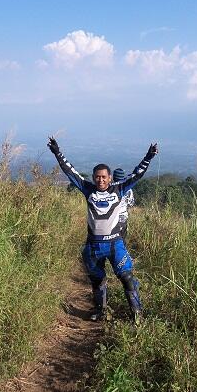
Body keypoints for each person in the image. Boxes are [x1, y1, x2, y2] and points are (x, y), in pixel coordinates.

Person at [47, 137, 158, 324]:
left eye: (104, 177)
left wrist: (148, 157)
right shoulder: (87, 189)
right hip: (93, 246)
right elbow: (70, 171)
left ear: (110, 178)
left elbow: (137, 174)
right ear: (93, 177)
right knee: (97, 281)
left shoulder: (119, 189)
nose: (100, 180)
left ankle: (137, 314)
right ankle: (100, 311)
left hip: (115, 244)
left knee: (127, 279)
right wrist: (57, 153)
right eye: (97, 177)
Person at [112, 168, 135, 240]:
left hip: (111, 217)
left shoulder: (109, 187)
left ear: (113, 177)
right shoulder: (129, 189)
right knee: (122, 238)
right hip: (123, 217)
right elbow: (131, 203)